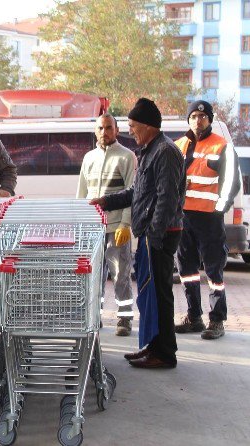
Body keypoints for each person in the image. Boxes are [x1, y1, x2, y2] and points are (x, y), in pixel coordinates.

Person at [90, 98, 185, 369]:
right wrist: (107, 201)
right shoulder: (150, 150)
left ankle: (164, 353)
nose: (129, 131)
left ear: (146, 125)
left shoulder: (165, 151)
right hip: (150, 233)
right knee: (149, 295)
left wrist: (153, 235)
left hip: (161, 235)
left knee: (159, 294)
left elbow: (168, 200)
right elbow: (138, 193)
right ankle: (153, 346)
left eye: (132, 125)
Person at [173, 100, 240, 340]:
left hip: (209, 219)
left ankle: (217, 320)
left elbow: (232, 183)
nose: (198, 120)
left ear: (209, 119)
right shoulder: (178, 145)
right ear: (188, 120)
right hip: (183, 217)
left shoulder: (222, 147)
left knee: (214, 271)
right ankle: (194, 317)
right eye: (193, 116)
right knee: (187, 270)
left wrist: (218, 210)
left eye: (202, 116)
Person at [77, 113, 137, 337]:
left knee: (120, 273)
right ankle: (95, 315)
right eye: (101, 128)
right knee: (94, 275)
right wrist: (80, 223)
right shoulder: (89, 157)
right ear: (95, 131)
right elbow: (81, 193)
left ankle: (124, 318)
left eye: (109, 128)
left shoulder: (126, 157)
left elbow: (133, 194)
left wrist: (125, 223)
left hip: (115, 227)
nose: (104, 133)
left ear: (117, 130)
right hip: (93, 228)